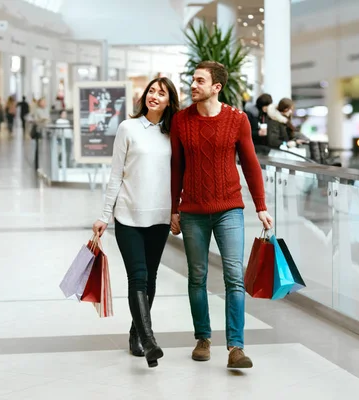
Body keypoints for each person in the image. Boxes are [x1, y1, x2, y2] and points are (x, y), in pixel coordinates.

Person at [170, 61, 273, 369]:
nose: (192, 85)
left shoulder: (237, 120)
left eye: (199, 81)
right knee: (197, 276)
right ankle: (203, 338)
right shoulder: (180, 121)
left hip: (229, 209)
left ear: (216, 87)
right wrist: (173, 208)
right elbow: (176, 167)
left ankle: (236, 347)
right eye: (192, 80)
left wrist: (261, 205)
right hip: (192, 212)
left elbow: (251, 164)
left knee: (233, 277)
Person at [92, 77, 179, 368]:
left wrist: (177, 211)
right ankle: (150, 340)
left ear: (169, 101)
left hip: (159, 218)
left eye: (161, 93)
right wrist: (104, 216)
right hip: (128, 216)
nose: (154, 95)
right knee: (137, 277)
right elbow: (116, 175)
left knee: (150, 278)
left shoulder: (173, 133)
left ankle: (135, 334)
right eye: (151, 91)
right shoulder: (128, 128)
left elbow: (179, 177)